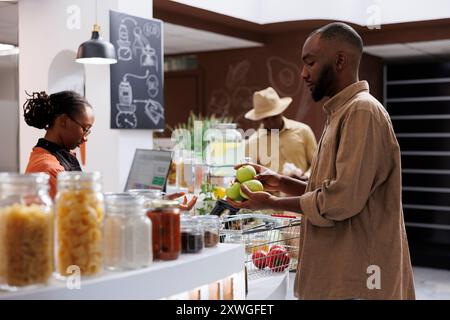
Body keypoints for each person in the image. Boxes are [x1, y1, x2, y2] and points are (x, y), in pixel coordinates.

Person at [228, 22, 415, 300]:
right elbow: (329, 189)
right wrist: (279, 181)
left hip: (358, 281)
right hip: (339, 276)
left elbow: (340, 200)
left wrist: (271, 202)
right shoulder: (339, 113)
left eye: (310, 63)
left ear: (340, 60)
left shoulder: (361, 111)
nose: (303, 73)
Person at [23, 90, 196, 209]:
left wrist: (157, 204)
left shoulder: (58, 157)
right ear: (63, 121)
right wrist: (154, 206)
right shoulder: (48, 169)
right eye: (84, 128)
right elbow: (84, 215)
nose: (85, 137)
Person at [245, 87, 317, 179]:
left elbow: (317, 163)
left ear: (281, 111)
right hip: (271, 193)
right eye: (266, 119)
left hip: (304, 190)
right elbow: (251, 176)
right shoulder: (252, 143)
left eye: (274, 116)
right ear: (259, 119)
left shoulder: (303, 131)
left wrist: (306, 177)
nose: (271, 122)